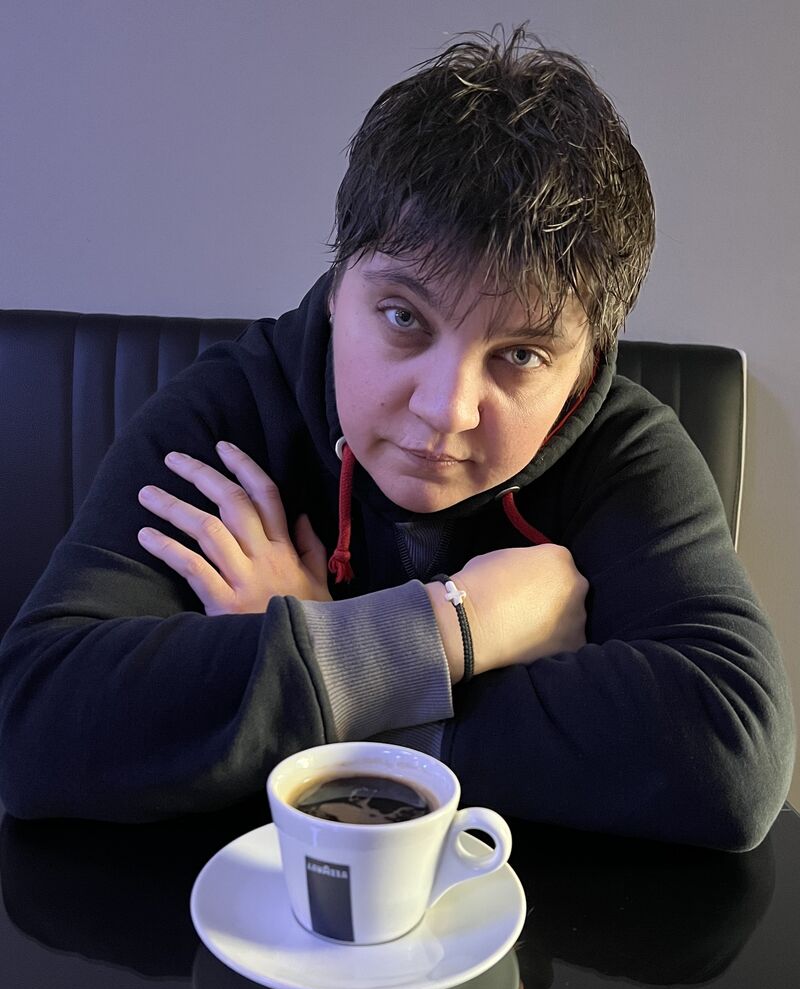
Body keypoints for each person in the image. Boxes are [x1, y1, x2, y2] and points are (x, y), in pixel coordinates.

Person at [0, 26, 793, 845]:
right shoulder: (232, 414)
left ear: (585, 362)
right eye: (403, 318)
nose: (446, 409)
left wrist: (330, 670)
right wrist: (455, 627)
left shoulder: (625, 451)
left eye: (521, 355)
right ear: (337, 288)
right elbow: (33, 723)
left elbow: (731, 757)